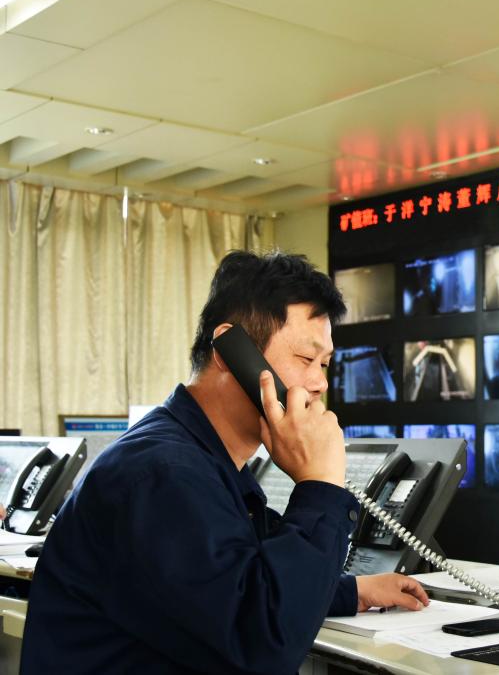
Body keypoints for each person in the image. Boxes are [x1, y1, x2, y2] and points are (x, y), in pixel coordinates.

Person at [21, 251, 429, 674]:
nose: (320, 382)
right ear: (231, 350)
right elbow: (263, 647)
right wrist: (321, 486)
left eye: (324, 364)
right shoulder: (164, 474)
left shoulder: (201, 461)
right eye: (306, 360)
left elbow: (228, 586)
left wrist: (349, 592)